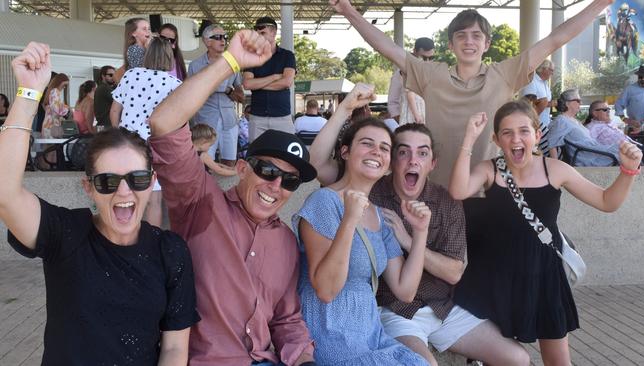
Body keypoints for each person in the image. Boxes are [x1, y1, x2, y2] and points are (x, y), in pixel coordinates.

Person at [0, 42, 199, 365]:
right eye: (107, 181)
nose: (123, 192)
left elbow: (175, 347)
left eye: (136, 179)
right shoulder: (64, 233)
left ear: (151, 182)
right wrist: (28, 94)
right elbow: (5, 193)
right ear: (89, 188)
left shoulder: (171, 250)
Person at [310, 83, 530, 366]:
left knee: (518, 358)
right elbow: (316, 164)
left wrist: (409, 240)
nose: (413, 160)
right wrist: (345, 109)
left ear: (432, 163)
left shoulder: (446, 202)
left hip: (443, 308)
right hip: (394, 310)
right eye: (403, 152)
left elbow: (454, 272)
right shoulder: (370, 191)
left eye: (422, 153)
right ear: (391, 161)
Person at [148, 29, 317, 365]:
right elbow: (164, 123)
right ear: (242, 168)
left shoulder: (286, 241)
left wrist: (305, 360)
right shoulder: (200, 202)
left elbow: (285, 320)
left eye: (290, 181)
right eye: (268, 171)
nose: (276, 186)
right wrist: (231, 62)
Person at [330, 0, 614, 188]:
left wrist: (600, 4)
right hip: (438, 189)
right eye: (461, 36)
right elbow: (386, 47)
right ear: (450, 44)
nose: (469, 41)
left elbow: (555, 39)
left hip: (492, 188)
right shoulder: (431, 74)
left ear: (487, 43)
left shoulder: (504, 73)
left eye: (476, 35)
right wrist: (349, 11)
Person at [448, 100, 642, 365]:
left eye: (524, 131)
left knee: (559, 362)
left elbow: (607, 202)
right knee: (501, 358)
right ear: (496, 139)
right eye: (507, 133)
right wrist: (469, 140)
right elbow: (458, 191)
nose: (516, 138)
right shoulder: (489, 170)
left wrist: (628, 171)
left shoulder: (556, 170)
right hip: (494, 280)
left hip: (544, 277)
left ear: (537, 135)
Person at [294, 114, 431, 365]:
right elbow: (326, 290)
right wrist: (349, 220)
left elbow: (405, 290)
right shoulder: (324, 202)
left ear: (388, 163)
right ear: (345, 152)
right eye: (367, 143)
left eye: (384, 148)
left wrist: (420, 232)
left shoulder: (380, 216)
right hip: (331, 331)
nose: (376, 152)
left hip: (370, 332)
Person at [111, 37, 181, 227]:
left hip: (127, 145)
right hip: (154, 148)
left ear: (148, 55)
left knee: (125, 196)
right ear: (169, 57)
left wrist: (118, 135)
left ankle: (125, 237)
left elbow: (114, 111)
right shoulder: (174, 84)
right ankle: (151, 242)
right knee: (154, 201)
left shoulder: (130, 75)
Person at [189, 24, 245, 167]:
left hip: (229, 121)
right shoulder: (195, 65)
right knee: (204, 164)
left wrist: (226, 90)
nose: (223, 41)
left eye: (225, 37)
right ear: (207, 41)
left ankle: (226, 189)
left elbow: (241, 96)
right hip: (205, 121)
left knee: (230, 161)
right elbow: (190, 94)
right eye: (218, 37)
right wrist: (214, 88)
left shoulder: (233, 64)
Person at [243, 16, 296, 140]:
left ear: (274, 32)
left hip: (282, 117)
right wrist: (274, 77)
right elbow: (247, 84)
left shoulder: (287, 56)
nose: (258, 36)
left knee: (285, 156)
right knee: (256, 156)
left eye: (262, 33)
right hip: (257, 117)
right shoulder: (251, 57)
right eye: (256, 34)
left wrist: (258, 85)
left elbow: (287, 82)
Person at [547, 89, 620, 166]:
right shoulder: (561, 121)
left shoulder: (571, 120)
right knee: (625, 152)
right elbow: (552, 144)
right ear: (567, 103)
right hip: (590, 158)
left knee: (625, 148)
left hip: (595, 152)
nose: (581, 103)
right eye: (578, 101)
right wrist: (554, 167)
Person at [586, 100, 644, 165]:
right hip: (627, 154)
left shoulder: (609, 124)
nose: (608, 111)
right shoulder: (592, 127)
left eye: (608, 109)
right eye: (605, 110)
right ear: (595, 113)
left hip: (635, 148)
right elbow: (590, 146)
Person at [387, 37, 434, 124]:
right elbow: (392, 103)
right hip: (408, 123)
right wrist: (403, 122)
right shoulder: (401, 73)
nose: (427, 62)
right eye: (423, 57)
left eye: (431, 58)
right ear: (414, 51)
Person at [520, 59, 555, 156]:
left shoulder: (545, 83)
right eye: (551, 70)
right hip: (534, 123)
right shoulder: (532, 81)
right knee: (536, 151)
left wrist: (549, 103)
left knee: (542, 151)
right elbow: (528, 102)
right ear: (543, 69)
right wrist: (549, 103)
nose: (553, 73)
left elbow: (543, 101)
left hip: (544, 122)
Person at [615, 64, 644, 134]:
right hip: (635, 128)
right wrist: (624, 119)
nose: (642, 79)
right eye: (640, 77)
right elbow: (619, 105)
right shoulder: (630, 89)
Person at [41, 72, 69, 138]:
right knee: (54, 145)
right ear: (59, 82)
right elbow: (57, 109)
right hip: (52, 124)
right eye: (64, 85)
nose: (64, 87)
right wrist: (67, 108)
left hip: (47, 123)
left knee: (48, 146)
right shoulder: (55, 91)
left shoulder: (50, 91)